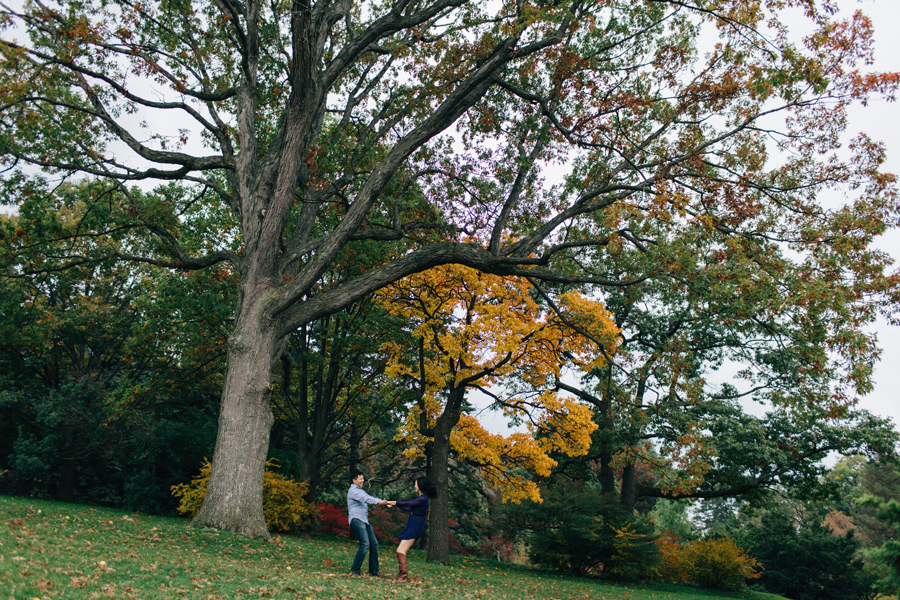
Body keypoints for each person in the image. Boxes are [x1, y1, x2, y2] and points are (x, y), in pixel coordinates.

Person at [387, 476, 438, 582]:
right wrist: (394, 504)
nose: (414, 485)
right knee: (400, 550)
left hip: (416, 524)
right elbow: (409, 507)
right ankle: (401, 575)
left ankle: (403, 577)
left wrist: (396, 502)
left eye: (416, 484)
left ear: (420, 486)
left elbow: (410, 504)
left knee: (401, 550)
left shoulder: (423, 498)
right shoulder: (421, 498)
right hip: (413, 523)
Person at [347, 471, 389, 577]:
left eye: (363, 478)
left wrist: (384, 502)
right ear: (354, 480)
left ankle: (374, 572)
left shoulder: (360, 491)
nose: (363, 481)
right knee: (365, 544)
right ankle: (355, 570)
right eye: (360, 479)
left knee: (374, 544)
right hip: (356, 519)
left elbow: (370, 497)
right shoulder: (353, 491)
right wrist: (380, 502)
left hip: (364, 520)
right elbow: (367, 499)